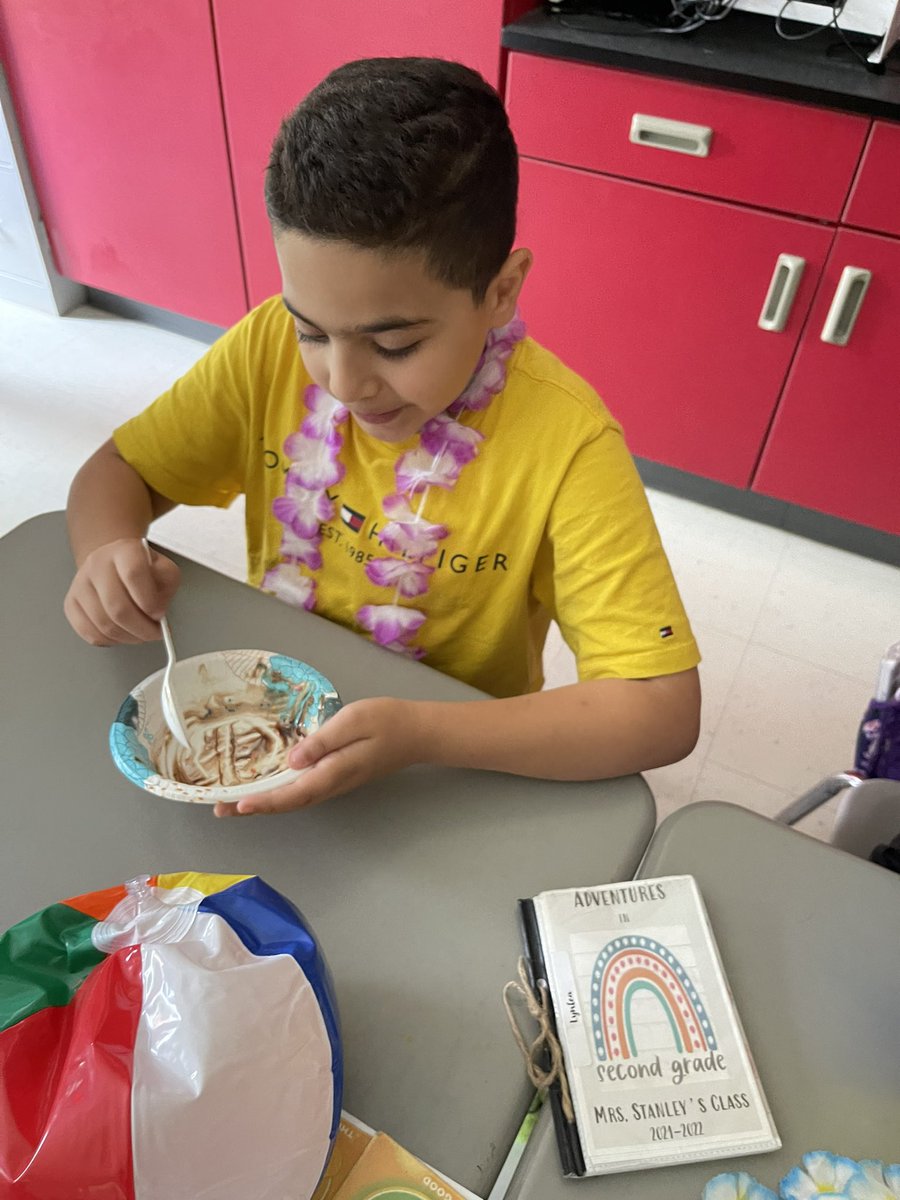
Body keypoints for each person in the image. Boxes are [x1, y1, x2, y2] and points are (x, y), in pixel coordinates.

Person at [64, 57, 701, 816]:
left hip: (447, 767)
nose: (343, 380)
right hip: (268, 723)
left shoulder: (567, 444)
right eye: (312, 330)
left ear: (500, 291)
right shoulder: (266, 347)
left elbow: (662, 709)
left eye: (394, 346)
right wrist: (105, 554)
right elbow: (116, 472)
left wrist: (425, 735)